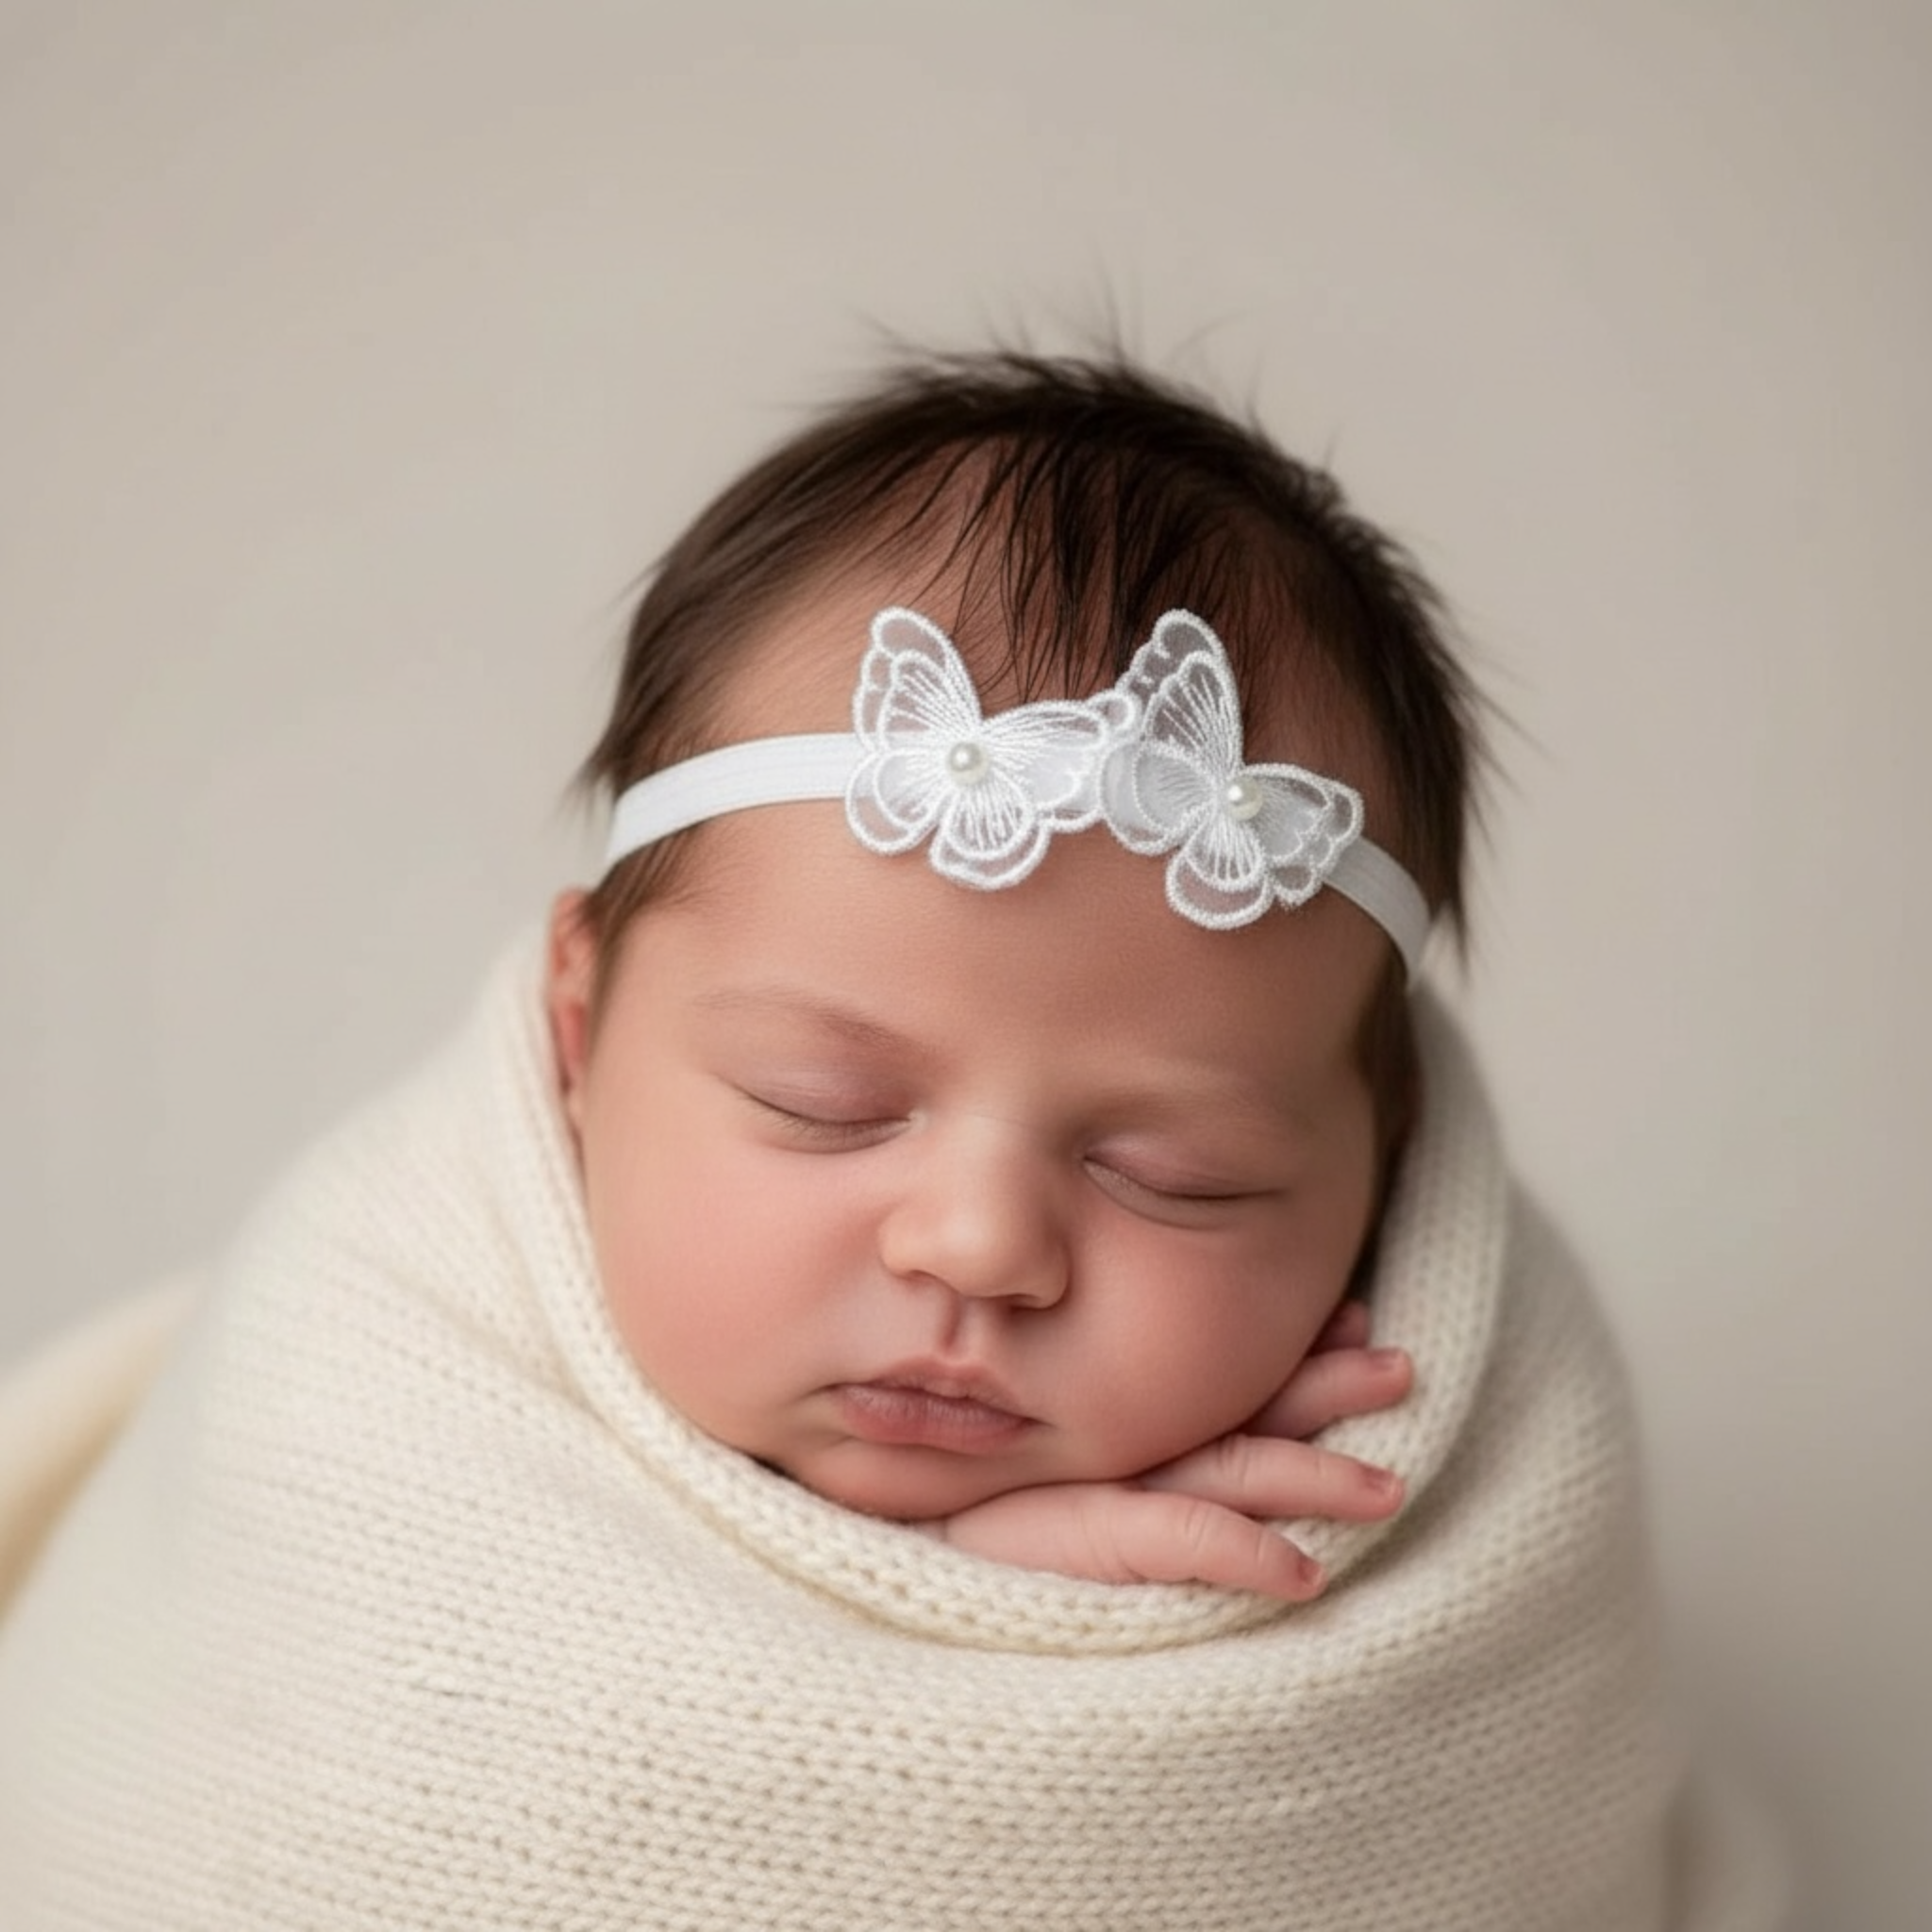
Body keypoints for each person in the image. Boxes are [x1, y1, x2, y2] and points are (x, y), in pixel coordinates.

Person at [0, 350, 1782, 1930]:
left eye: (1177, 1176)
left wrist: (1089, 1656)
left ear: (1379, 1174)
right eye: (819, 1107)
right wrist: (935, 1610)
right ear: (575, 1029)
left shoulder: (1452, 1487)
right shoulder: (370, 1377)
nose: (977, 1244)